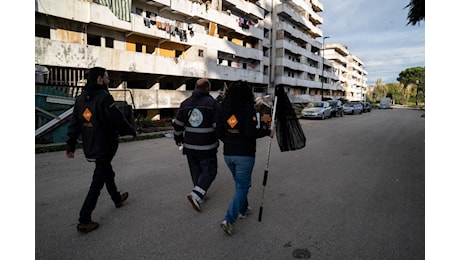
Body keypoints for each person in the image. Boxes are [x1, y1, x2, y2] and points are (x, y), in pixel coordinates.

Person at [65, 67, 137, 233]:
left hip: (91, 145)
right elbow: (117, 119)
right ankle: (84, 219)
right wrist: (131, 131)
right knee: (98, 181)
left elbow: (74, 124)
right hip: (105, 145)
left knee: (106, 171)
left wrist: (70, 146)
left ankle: (116, 198)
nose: (108, 80)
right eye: (106, 78)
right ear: (99, 79)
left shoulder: (81, 99)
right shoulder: (104, 97)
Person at [216, 80, 275, 236]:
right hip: (245, 154)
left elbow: (219, 131)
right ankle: (228, 219)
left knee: (240, 184)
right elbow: (250, 133)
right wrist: (266, 132)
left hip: (228, 154)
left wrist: (230, 139)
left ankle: (243, 210)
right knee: (242, 186)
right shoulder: (248, 109)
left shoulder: (224, 108)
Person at [172, 78, 222, 212]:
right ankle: (196, 195)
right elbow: (218, 127)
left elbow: (177, 125)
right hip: (207, 147)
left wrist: (178, 139)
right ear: (207, 89)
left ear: (195, 88)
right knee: (210, 171)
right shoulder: (213, 104)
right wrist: (224, 140)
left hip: (189, 147)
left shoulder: (185, 103)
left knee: (196, 171)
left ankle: (200, 194)